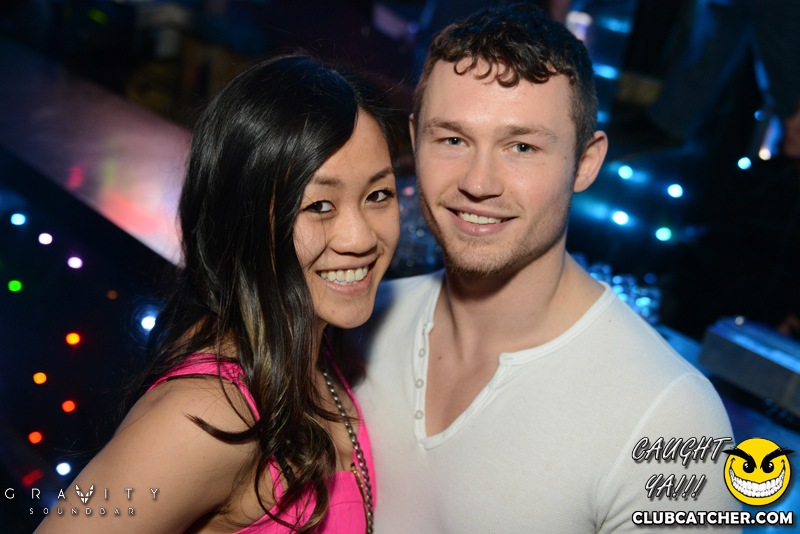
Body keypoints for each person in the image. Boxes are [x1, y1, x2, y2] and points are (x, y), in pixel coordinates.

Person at [349, 5, 740, 532]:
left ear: (585, 162)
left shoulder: (671, 419)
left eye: (522, 146)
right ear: (415, 139)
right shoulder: (362, 323)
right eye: (453, 140)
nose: (479, 183)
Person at [35, 54, 400, 534]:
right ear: (242, 222)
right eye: (318, 205)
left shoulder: (318, 351)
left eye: (378, 195)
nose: (360, 238)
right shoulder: (209, 414)